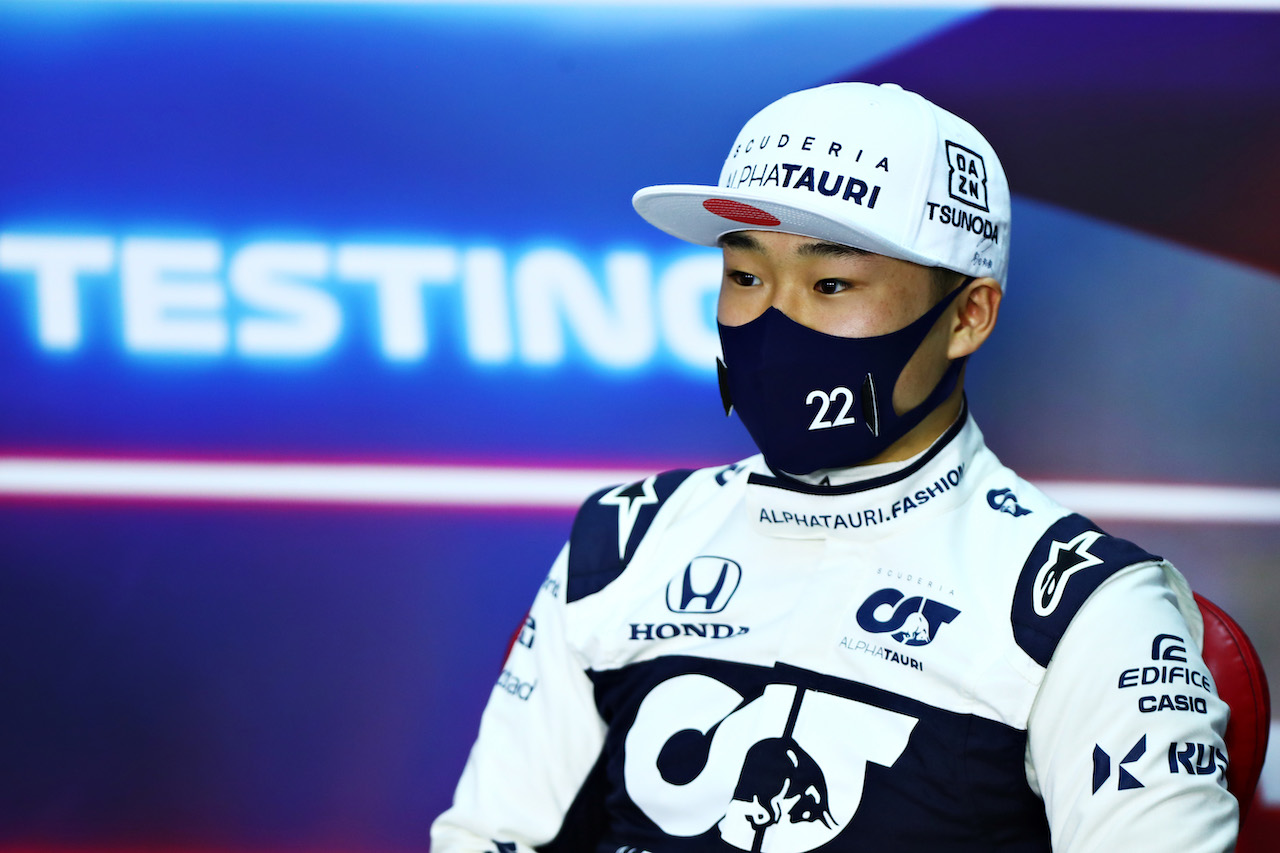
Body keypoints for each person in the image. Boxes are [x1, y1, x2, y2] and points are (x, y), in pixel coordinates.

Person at [431, 82, 1237, 852]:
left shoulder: (1086, 609)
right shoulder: (624, 539)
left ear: (968, 315)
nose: (773, 322)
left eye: (830, 282)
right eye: (745, 276)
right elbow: (490, 833)